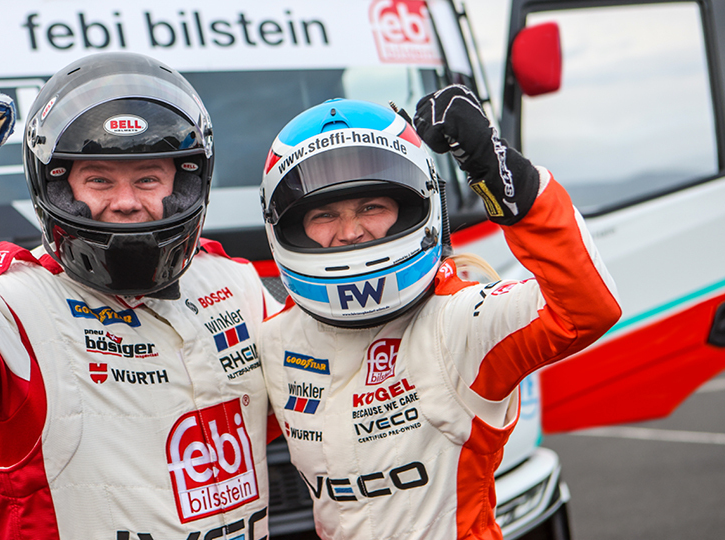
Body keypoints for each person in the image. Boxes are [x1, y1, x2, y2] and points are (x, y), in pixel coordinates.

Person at [0, 52, 280, 540]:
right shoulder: (8, 309)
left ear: (185, 183)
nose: (125, 202)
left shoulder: (234, 283)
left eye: (148, 179)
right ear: (56, 189)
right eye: (99, 180)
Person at [257, 88, 622, 540]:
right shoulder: (276, 339)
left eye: (371, 207)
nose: (350, 232)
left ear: (415, 208)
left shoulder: (460, 321)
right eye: (324, 215)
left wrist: (505, 176)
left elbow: (587, 309)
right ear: (289, 227)